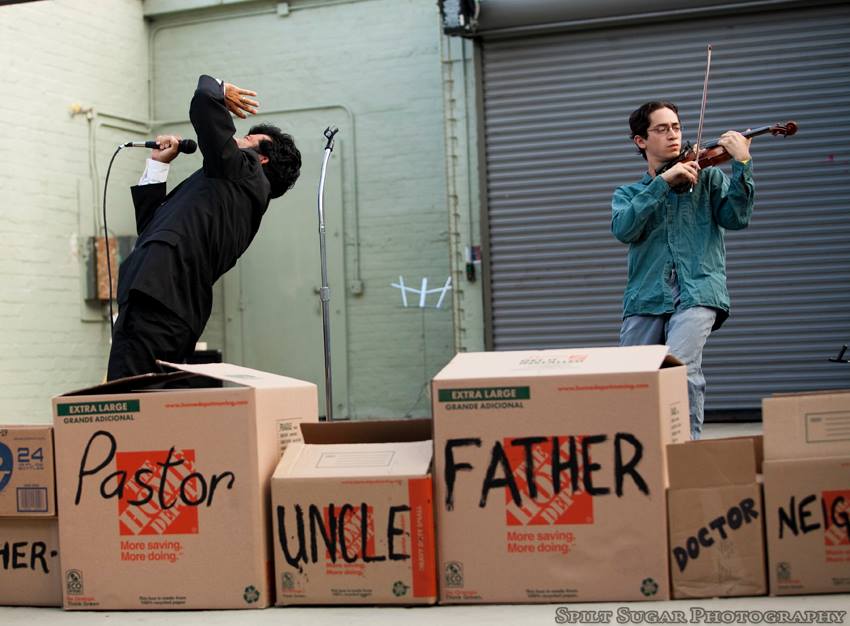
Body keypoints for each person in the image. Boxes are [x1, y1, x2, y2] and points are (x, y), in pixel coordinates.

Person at [106, 75, 301, 380]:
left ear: (261, 158)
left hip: (159, 298)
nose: (237, 140)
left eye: (248, 140)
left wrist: (219, 90)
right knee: (150, 403)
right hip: (163, 300)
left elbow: (204, 102)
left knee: (128, 403)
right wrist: (158, 165)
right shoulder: (229, 190)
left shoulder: (246, 173)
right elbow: (153, 228)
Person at [611, 101, 754, 439]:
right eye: (661, 129)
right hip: (647, 298)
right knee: (633, 378)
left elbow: (737, 218)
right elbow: (624, 229)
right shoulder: (628, 193)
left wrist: (743, 164)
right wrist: (663, 184)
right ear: (640, 141)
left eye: (676, 126)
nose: (673, 135)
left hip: (698, 291)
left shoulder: (708, 178)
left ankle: (687, 452)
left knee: (680, 367)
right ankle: (641, 452)